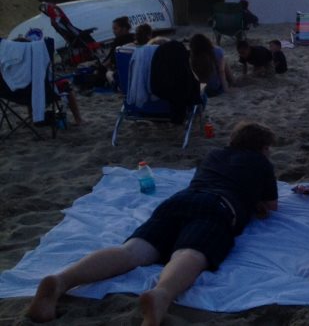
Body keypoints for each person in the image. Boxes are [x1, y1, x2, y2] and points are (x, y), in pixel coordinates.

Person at [26, 121, 279, 325]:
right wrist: (254, 200)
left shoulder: (214, 155)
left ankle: (62, 280)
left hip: (180, 200)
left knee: (132, 251)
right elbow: (271, 205)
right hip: (218, 207)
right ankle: (161, 294)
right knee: (190, 252)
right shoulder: (261, 163)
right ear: (262, 148)